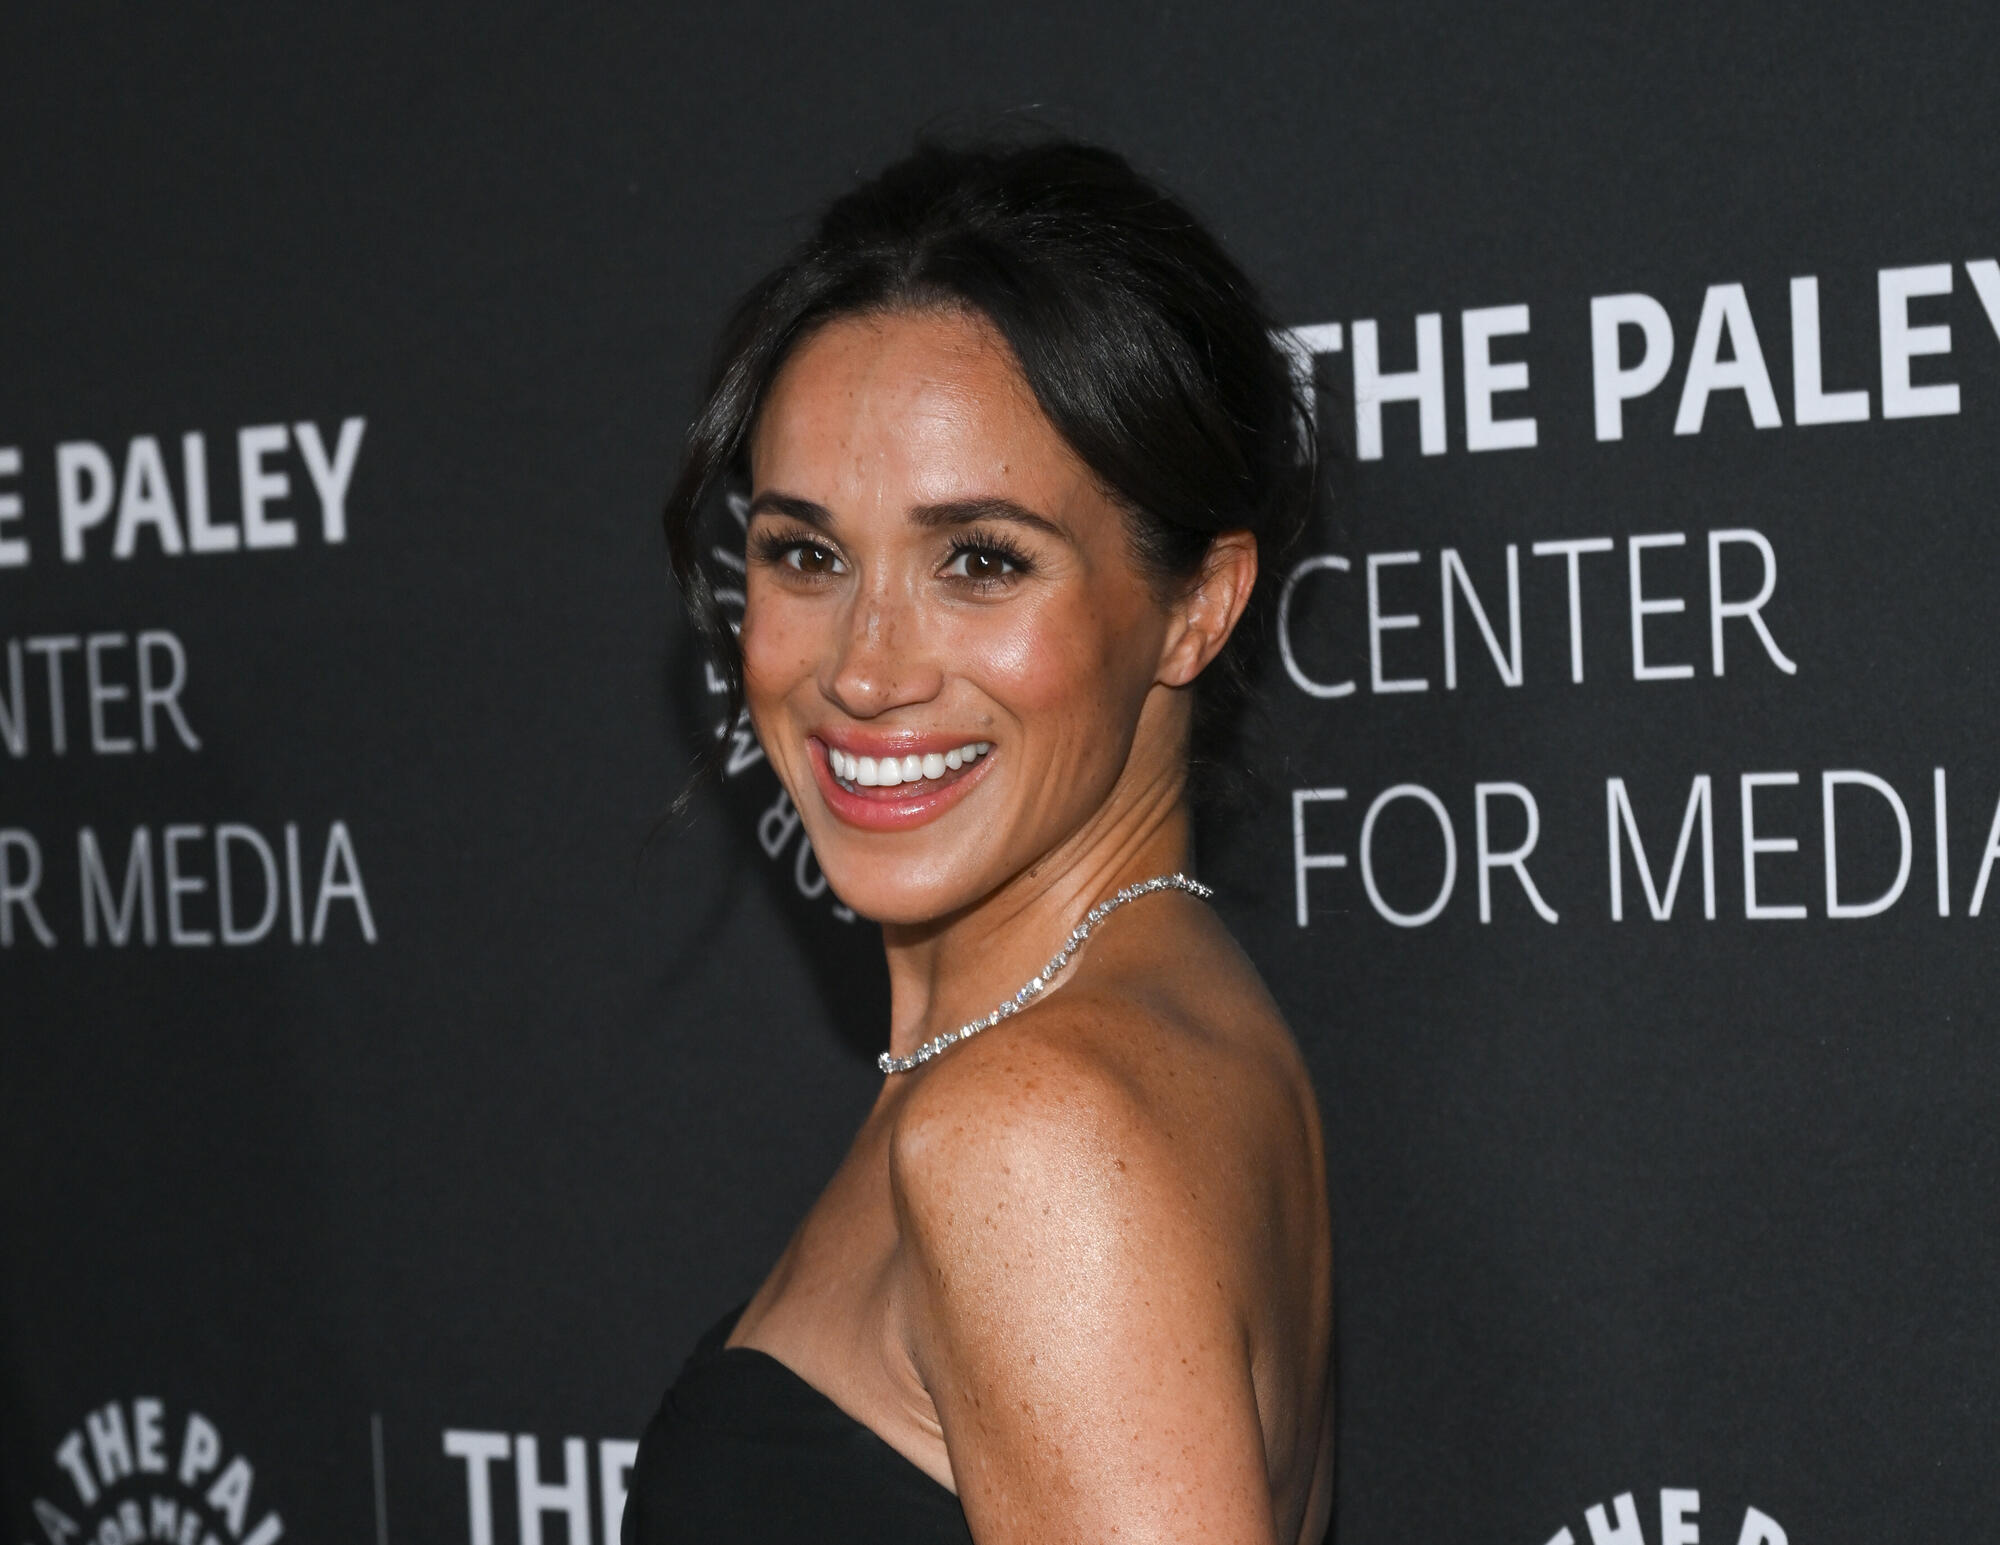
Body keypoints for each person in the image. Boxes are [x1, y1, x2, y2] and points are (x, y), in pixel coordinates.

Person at [626, 135, 1334, 1545]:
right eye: (806, 553)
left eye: (981, 560)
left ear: (1199, 604)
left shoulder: (1034, 1137)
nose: (867, 669)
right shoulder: (1145, 1019)